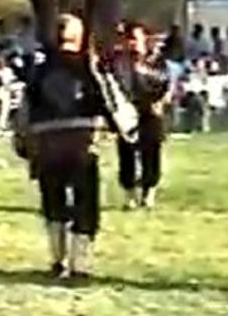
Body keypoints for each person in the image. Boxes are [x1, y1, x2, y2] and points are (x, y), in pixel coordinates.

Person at [14, 14, 138, 279]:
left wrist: (22, 139)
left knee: (53, 201)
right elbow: (112, 101)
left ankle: (57, 259)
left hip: (46, 145)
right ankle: (78, 263)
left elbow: (25, 108)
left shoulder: (39, 70)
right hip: (82, 144)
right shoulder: (90, 67)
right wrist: (126, 130)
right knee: (85, 203)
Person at [115, 23, 170, 209]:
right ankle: (129, 194)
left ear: (144, 40)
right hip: (127, 112)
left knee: (151, 152)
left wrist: (160, 102)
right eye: (128, 39)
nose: (132, 44)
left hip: (151, 111)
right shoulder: (119, 63)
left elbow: (165, 84)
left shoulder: (156, 61)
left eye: (135, 39)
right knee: (127, 152)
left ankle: (149, 192)